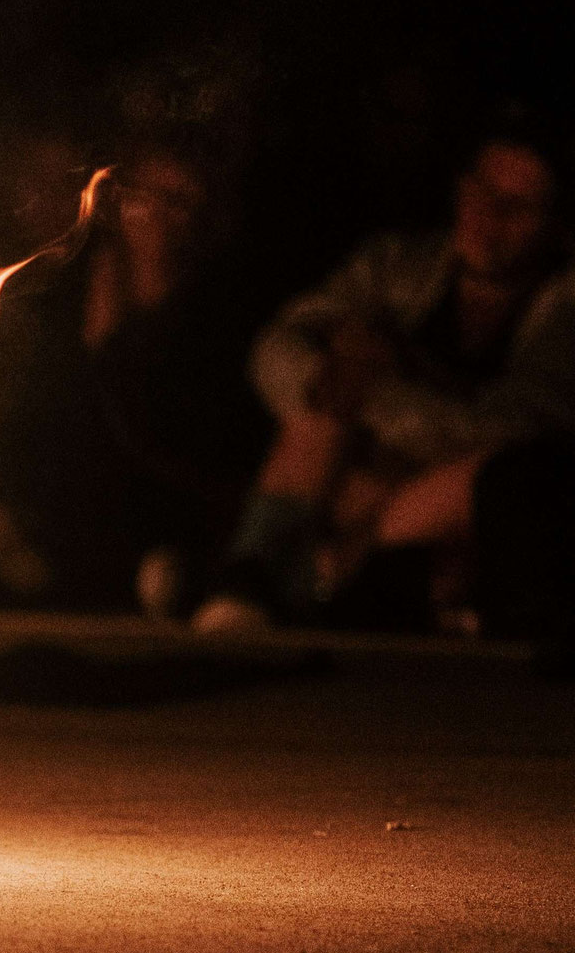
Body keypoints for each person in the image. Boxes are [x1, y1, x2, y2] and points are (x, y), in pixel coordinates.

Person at [197, 121, 575, 658]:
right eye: (481, 190)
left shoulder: (563, 308)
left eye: (517, 205)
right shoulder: (395, 265)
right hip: (361, 472)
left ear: (556, 224)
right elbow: (280, 345)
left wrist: (375, 394)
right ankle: (250, 581)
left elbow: (516, 432)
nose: (489, 215)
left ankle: (298, 576)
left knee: (487, 475)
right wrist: (337, 380)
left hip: (451, 495)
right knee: (330, 383)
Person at [0, 135, 265, 614]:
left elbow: (181, 439)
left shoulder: (215, 310)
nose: (157, 215)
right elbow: (35, 408)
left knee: (160, 581)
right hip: (58, 506)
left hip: (154, 518)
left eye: (178, 202)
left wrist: (135, 321)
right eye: (147, 197)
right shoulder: (75, 282)